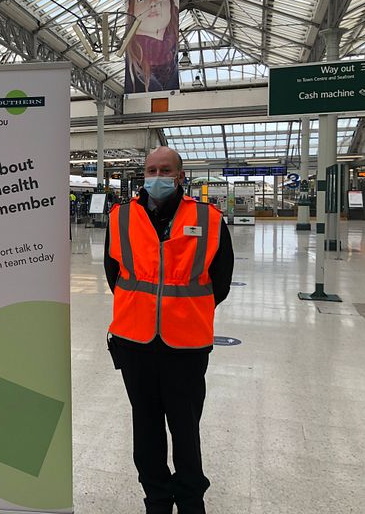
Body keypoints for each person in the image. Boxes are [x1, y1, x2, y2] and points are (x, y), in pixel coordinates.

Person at [104, 147, 233, 514]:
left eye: (165, 170)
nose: (156, 176)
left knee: (185, 427)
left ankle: (191, 499)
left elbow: (219, 283)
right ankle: (157, 498)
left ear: (180, 176)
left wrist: (182, 309)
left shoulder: (208, 219)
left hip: (186, 346)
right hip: (134, 343)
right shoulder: (121, 217)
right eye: (150, 170)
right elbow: (115, 274)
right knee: (145, 428)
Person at [124, 0, 180, 93]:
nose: (153, 2)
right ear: (131, 11)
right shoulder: (133, 67)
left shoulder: (172, 61)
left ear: (171, 8)